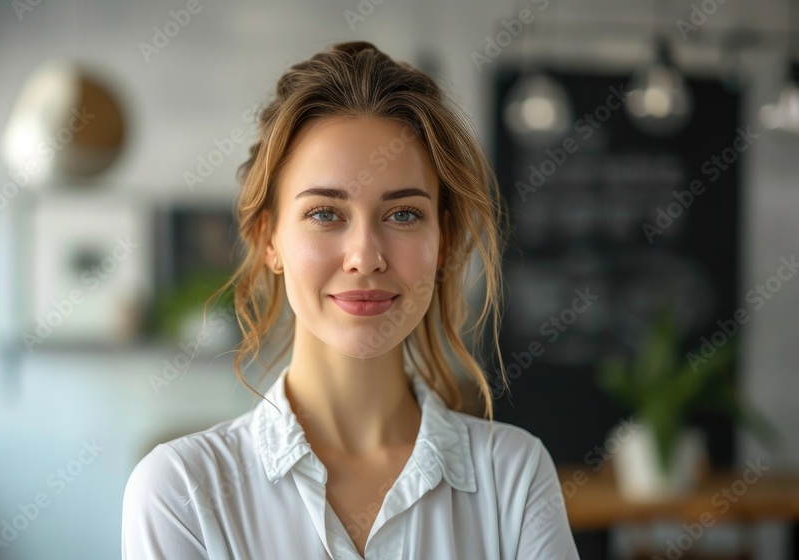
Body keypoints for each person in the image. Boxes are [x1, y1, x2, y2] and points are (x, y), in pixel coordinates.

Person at [122, 41, 579, 559]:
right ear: (269, 239)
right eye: (325, 213)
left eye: (403, 214)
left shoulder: (513, 479)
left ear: (443, 242)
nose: (365, 257)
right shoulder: (181, 490)